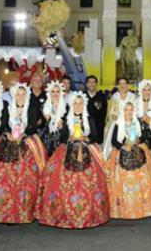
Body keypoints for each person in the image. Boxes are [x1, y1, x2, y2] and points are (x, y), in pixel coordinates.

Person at [0, 83, 47, 224]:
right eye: (18, 94)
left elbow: (34, 127)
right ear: (14, 95)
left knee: (26, 177)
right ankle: (3, 209)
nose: (21, 97)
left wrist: (23, 135)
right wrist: (8, 135)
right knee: (2, 176)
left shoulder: (32, 108)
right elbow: (3, 126)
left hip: (27, 143)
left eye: (23, 94)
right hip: (8, 142)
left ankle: (23, 210)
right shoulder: (8, 108)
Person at [37, 92, 110, 229]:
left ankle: (90, 214)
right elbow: (62, 138)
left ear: (84, 104)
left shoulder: (90, 119)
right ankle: (62, 214)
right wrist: (70, 138)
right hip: (68, 151)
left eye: (80, 103)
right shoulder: (66, 119)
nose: (78, 106)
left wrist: (86, 139)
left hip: (87, 150)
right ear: (71, 104)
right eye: (75, 103)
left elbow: (95, 136)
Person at [106, 101, 151, 219]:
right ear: (123, 111)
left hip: (137, 152)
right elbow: (114, 142)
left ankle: (143, 207)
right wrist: (124, 144)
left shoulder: (137, 123)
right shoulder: (118, 124)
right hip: (121, 153)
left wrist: (136, 141)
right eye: (126, 110)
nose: (129, 112)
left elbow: (141, 138)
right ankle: (124, 208)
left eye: (131, 110)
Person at [103, 77, 137, 159]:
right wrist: (113, 115)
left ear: (127, 85)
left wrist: (128, 120)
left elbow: (135, 111)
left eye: (124, 83)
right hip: (117, 122)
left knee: (131, 141)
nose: (122, 85)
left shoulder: (133, 97)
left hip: (130, 121)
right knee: (114, 141)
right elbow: (111, 111)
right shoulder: (114, 97)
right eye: (120, 84)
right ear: (117, 86)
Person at [37, 80, 68, 156]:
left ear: (61, 93)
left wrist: (62, 125)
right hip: (45, 138)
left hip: (61, 138)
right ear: (49, 93)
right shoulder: (43, 107)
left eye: (58, 91)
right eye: (53, 91)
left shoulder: (66, 107)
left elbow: (68, 123)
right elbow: (39, 123)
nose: (55, 94)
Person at [85, 75, 108, 144]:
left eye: (93, 82)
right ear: (86, 84)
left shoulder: (102, 97)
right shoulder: (82, 96)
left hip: (98, 130)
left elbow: (104, 114)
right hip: (86, 131)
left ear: (96, 84)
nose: (91, 84)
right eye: (89, 82)